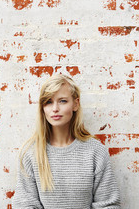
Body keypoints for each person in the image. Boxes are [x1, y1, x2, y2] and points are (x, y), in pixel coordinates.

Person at [12, 74, 121, 209]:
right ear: (43, 108)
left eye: (62, 101)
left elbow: (108, 205)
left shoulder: (95, 151)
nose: (55, 108)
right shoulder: (30, 153)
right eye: (49, 102)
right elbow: (25, 205)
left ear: (75, 104)